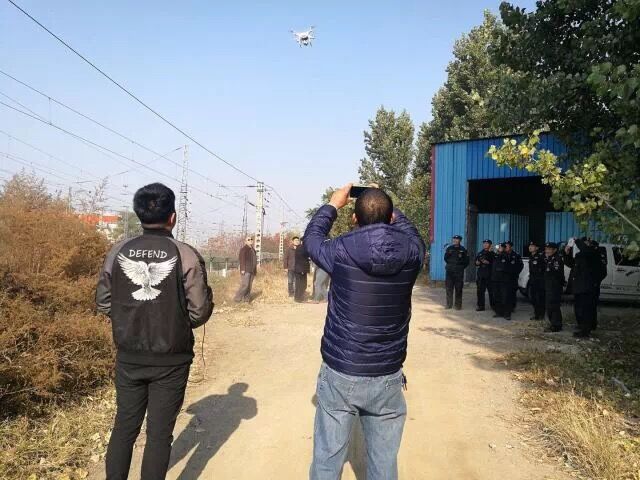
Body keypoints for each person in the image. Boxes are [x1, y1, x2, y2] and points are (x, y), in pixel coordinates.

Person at [304, 184, 425, 480]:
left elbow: (312, 239)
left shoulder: (341, 250)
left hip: (342, 371)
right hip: (387, 372)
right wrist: (386, 205)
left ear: (354, 219)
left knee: (327, 458)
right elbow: (412, 234)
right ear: (391, 217)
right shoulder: (413, 252)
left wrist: (333, 204)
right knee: (383, 462)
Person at [96, 183, 214, 480]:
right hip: (171, 360)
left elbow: (103, 302)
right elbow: (199, 311)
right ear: (172, 217)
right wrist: (174, 322)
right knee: (159, 434)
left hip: (129, 356)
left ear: (138, 215)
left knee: (124, 427)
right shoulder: (185, 254)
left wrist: (129, 321)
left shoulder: (118, 251)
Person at [564, 237, 604, 337]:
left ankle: (585, 331)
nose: (584, 244)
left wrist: (577, 241)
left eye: (585, 243)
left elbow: (586, 250)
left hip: (588, 287)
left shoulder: (593, 253)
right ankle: (582, 326)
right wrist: (566, 253)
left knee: (586, 309)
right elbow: (571, 263)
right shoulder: (581, 255)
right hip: (579, 286)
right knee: (579, 308)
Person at [444, 235, 469, 310]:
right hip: (449, 272)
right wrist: (450, 265)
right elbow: (445, 258)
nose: (455, 240)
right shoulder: (449, 248)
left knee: (458, 288)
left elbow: (467, 261)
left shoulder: (463, 249)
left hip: (459, 272)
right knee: (449, 288)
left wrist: (460, 268)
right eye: (454, 239)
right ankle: (449, 304)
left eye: (457, 239)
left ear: (460, 240)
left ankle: (458, 305)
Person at [543, 242, 564, 332]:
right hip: (549, 286)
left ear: (554, 250)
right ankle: (553, 323)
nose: (547, 251)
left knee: (554, 306)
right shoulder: (549, 258)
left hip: (554, 287)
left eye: (549, 249)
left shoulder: (557, 259)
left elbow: (556, 273)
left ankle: (556, 325)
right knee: (549, 306)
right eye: (546, 249)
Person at [503, 240, 524, 317]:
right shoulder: (502, 254)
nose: (505, 247)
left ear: (511, 247)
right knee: (505, 293)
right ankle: (506, 308)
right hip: (504, 278)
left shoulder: (516, 255)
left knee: (512, 292)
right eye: (505, 246)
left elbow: (521, 265)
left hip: (513, 277)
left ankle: (512, 307)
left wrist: (516, 273)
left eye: (507, 246)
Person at [234, 236, 257, 303]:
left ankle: (246, 300)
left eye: (251, 239)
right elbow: (241, 259)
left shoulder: (253, 250)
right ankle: (237, 298)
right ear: (245, 242)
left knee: (249, 286)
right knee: (245, 285)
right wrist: (242, 269)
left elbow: (254, 260)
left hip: (252, 270)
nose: (250, 240)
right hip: (246, 270)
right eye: (248, 240)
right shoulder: (243, 249)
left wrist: (255, 270)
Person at [475, 239, 495, 311]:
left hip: (490, 275)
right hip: (481, 275)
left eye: (487, 243)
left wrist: (489, 263)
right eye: (484, 243)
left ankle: (493, 306)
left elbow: (495, 263)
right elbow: (475, 262)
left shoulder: (493, 254)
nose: (485, 245)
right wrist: (476, 263)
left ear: (490, 245)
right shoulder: (480, 253)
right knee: (480, 291)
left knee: (492, 292)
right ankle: (481, 306)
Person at [528, 240, 546, 320]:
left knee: (540, 298)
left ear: (537, 248)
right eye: (530, 246)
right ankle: (536, 314)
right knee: (533, 298)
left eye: (532, 246)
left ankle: (541, 315)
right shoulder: (531, 256)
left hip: (540, 281)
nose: (530, 247)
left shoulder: (540, 256)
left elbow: (543, 269)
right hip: (533, 280)